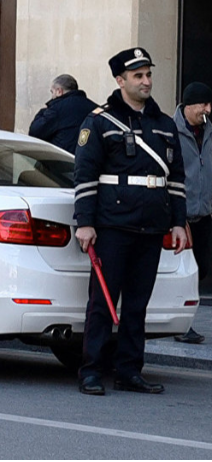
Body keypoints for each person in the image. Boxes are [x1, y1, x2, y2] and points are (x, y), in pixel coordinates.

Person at [73, 47, 188, 395]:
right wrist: (84, 222)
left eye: (148, 74)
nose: (146, 81)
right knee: (102, 303)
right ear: (120, 80)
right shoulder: (99, 121)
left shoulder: (165, 125)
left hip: (151, 227)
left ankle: (129, 370)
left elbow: (177, 179)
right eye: (138, 76)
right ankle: (92, 370)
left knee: (137, 305)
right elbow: (85, 174)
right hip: (112, 226)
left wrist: (179, 223)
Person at [173, 82, 212, 344]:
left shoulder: (210, 130)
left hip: (205, 214)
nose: (208, 109)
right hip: (181, 216)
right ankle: (181, 324)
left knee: (202, 268)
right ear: (188, 105)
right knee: (183, 271)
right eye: (203, 104)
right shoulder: (169, 130)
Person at [29, 74, 98, 153]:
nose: (52, 96)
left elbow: (35, 132)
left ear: (59, 91)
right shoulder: (94, 108)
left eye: (52, 92)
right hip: (89, 160)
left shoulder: (56, 110)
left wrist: (43, 112)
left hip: (63, 160)